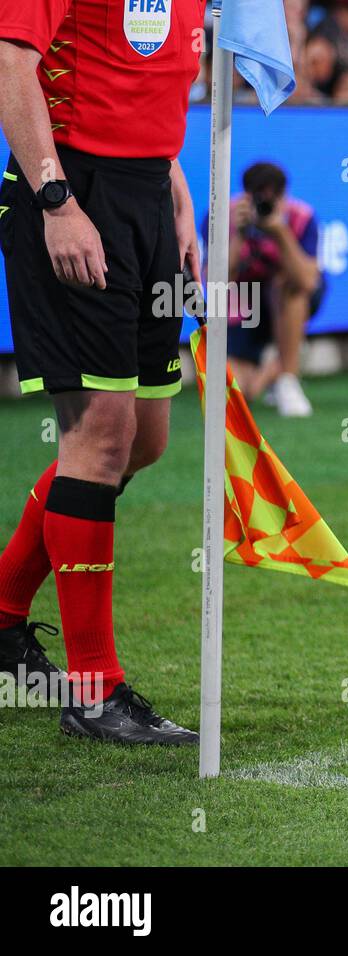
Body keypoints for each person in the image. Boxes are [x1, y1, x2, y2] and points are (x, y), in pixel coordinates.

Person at [0, 0, 205, 743]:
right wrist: (55, 200)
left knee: (144, 439)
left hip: (147, 195)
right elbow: (11, 62)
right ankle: (95, 691)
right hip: (73, 190)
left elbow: (142, 78)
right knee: (100, 437)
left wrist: (174, 188)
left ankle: (1, 614)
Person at [210, 162, 324, 417]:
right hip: (246, 303)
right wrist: (239, 235)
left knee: (286, 284)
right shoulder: (222, 216)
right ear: (246, 195)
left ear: (285, 196)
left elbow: (307, 281)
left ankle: (288, 380)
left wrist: (279, 232)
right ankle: (283, 358)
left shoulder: (301, 218)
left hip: (289, 300)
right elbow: (215, 283)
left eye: (274, 198)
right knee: (241, 391)